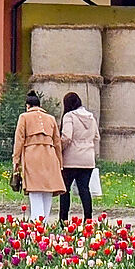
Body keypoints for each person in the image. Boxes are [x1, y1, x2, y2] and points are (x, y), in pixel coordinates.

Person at [12, 90, 64, 221]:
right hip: (50, 156)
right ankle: (44, 224)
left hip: (32, 156)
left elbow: (19, 140)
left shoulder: (24, 117)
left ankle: (38, 227)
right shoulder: (51, 118)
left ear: (27, 105)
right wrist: (60, 163)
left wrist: (16, 160)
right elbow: (57, 142)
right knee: (48, 191)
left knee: (35, 192)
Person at [59, 90, 99, 222]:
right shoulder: (91, 117)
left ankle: (63, 219)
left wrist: (59, 149)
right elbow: (97, 137)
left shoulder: (69, 116)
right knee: (84, 189)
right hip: (88, 159)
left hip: (71, 159)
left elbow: (67, 137)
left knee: (65, 189)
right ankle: (88, 219)